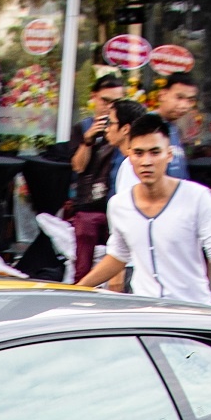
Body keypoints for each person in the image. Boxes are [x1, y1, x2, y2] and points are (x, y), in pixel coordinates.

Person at [77, 112, 211, 304]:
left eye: (155, 152)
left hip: (192, 311)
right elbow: (118, 255)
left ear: (168, 154)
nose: (146, 162)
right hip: (145, 315)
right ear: (129, 155)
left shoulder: (197, 197)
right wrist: (77, 289)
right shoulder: (119, 205)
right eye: (138, 153)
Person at [65, 75, 129, 277]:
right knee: (83, 267)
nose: (109, 107)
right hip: (89, 204)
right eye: (105, 100)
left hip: (118, 202)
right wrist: (89, 139)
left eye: (115, 102)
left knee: (118, 261)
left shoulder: (125, 127)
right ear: (94, 97)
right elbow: (78, 166)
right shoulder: (83, 127)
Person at [154, 75, 199, 179]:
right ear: (162, 95)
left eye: (190, 100)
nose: (184, 105)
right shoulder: (148, 125)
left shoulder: (174, 128)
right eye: (179, 97)